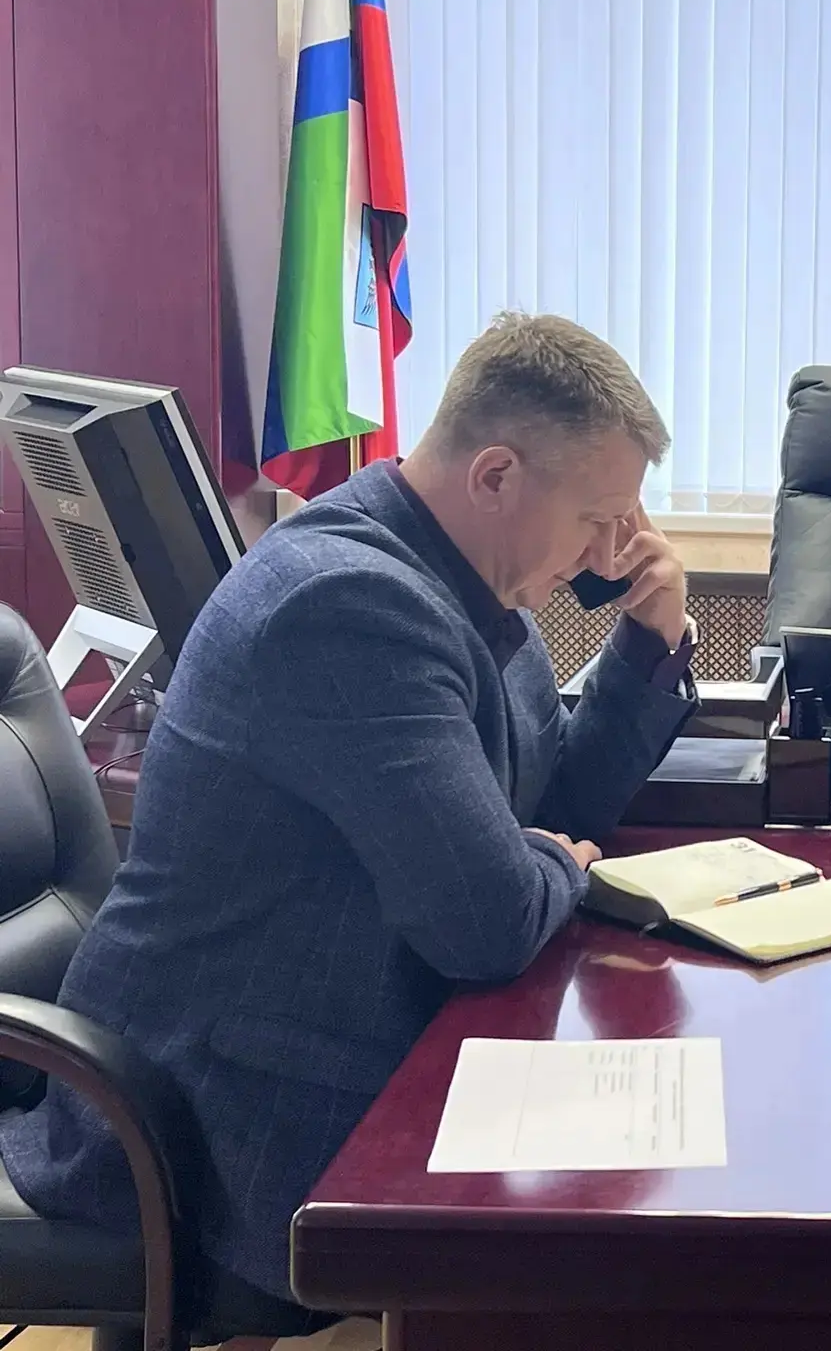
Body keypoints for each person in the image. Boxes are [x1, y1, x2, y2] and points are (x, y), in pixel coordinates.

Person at [0, 312, 699, 1326]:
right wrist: (549, 861)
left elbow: (549, 815)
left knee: (631, 1208)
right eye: (597, 518)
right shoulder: (349, 606)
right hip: (224, 1121)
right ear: (496, 476)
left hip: (348, 1042)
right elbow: (488, 921)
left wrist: (647, 644)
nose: (610, 551)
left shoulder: (473, 583)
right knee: (596, 1270)